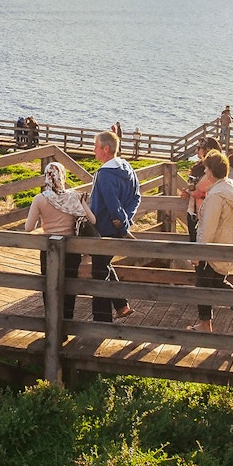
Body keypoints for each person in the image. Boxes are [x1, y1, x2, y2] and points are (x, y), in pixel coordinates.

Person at [25, 161, 96, 334]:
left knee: (49, 287)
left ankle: (52, 327)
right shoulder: (74, 196)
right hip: (71, 249)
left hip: (48, 248)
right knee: (68, 287)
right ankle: (66, 325)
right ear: (63, 176)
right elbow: (92, 220)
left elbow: (28, 227)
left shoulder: (40, 199)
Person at [187, 150, 233, 332]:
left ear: (211, 171)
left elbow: (209, 227)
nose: (204, 173)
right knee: (217, 283)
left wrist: (199, 253)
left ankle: (206, 324)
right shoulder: (232, 188)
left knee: (203, 285)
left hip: (212, 247)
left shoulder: (216, 195)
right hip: (227, 243)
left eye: (206, 170)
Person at [90, 131, 141, 322]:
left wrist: (123, 225)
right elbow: (137, 197)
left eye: (96, 146)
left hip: (104, 230)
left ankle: (101, 321)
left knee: (99, 274)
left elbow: (113, 206)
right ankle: (122, 306)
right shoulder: (128, 168)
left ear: (106, 149)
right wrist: (126, 221)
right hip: (117, 230)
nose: (93, 149)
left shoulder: (104, 175)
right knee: (104, 266)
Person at [182, 136, 222, 242]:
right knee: (194, 244)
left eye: (199, 148)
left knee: (204, 247)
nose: (196, 151)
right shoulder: (198, 167)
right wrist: (188, 192)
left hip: (207, 213)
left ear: (207, 149)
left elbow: (216, 190)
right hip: (193, 212)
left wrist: (197, 194)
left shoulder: (216, 170)